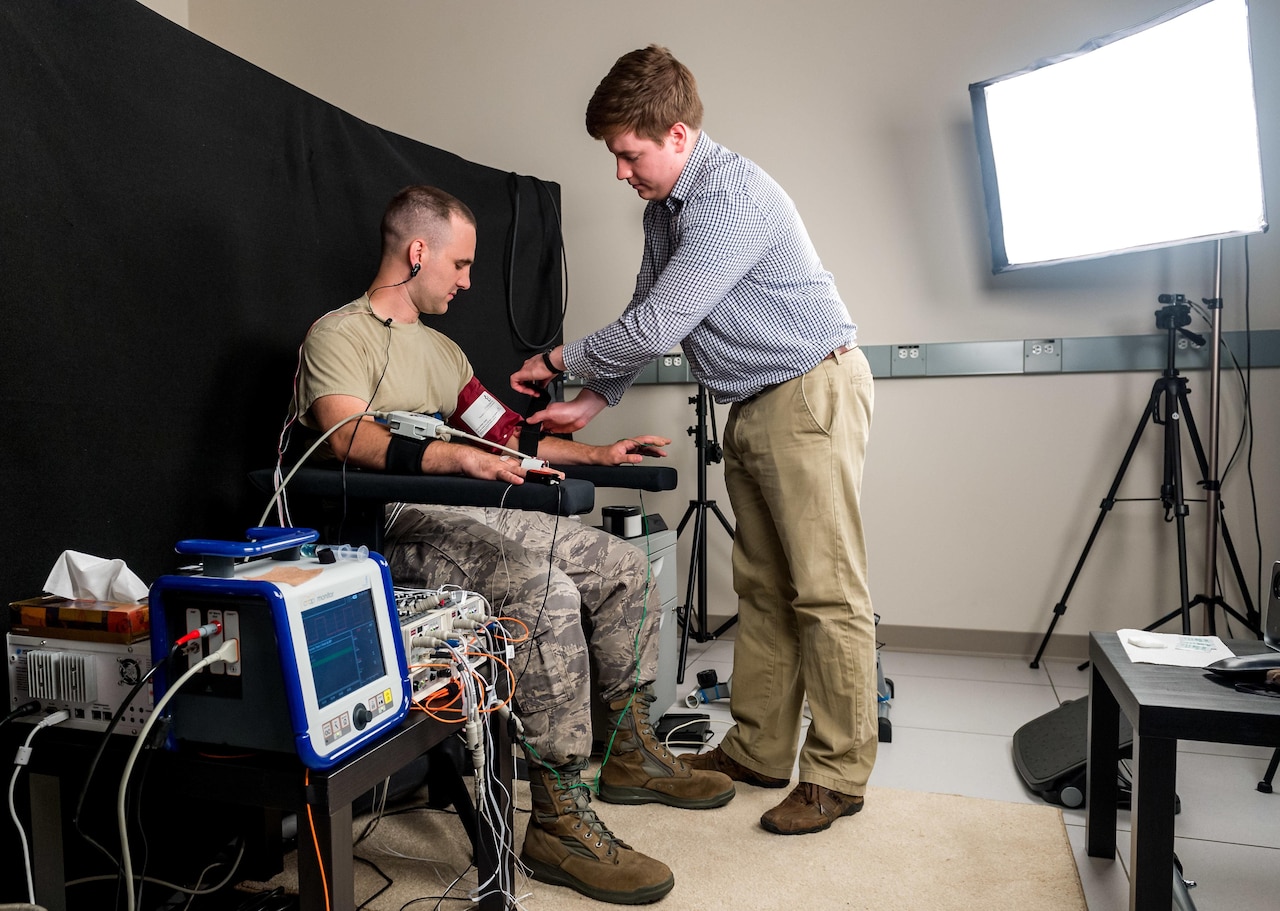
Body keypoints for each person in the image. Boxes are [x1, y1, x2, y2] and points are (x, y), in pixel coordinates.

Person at [292, 185, 734, 904]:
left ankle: (627, 749)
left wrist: (600, 453)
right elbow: (346, 434)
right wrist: (452, 459)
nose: (467, 280)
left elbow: (507, 438)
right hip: (390, 522)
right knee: (546, 590)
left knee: (622, 565)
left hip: (463, 508)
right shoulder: (337, 336)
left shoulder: (443, 352)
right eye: (460, 264)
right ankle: (557, 816)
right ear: (417, 252)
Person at [512, 45, 877, 837]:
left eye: (628, 153)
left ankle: (840, 774)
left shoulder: (731, 196)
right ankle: (758, 748)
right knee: (764, 588)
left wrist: (555, 358)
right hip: (753, 401)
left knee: (824, 589)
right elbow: (649, 306)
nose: (620, 171)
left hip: (809, 389)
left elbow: (660, 323)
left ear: (676, 135)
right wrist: (592, 398)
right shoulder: (662, 210)